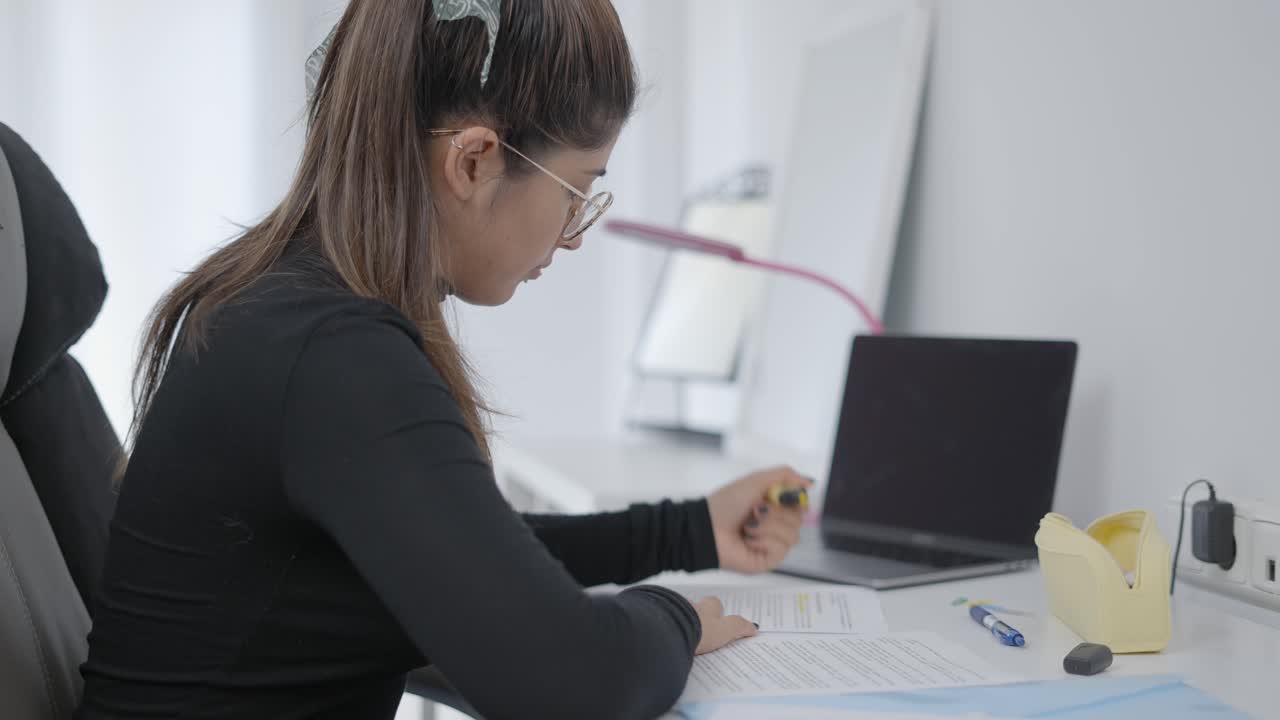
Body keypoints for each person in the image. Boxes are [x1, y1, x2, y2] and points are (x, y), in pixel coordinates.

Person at [76, 1, 811, 718]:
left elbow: (465, 549)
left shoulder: (285, 309)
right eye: (578, 193)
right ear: (474, 159)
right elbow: (577, 683)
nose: (573, 235)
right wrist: (676, 617)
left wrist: (689, 532)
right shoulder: (333, 357)